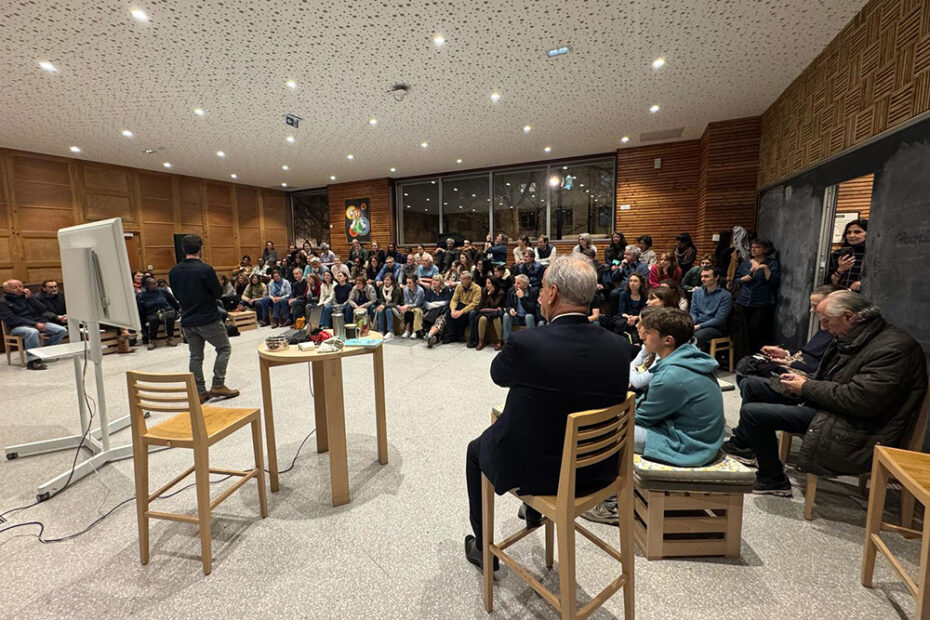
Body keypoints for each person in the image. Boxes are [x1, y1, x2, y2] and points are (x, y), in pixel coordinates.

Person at [463, 256, 633, 569]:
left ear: (552, 293)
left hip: (540, 473)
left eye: (541, 290)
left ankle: (485, 553)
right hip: (600, 472)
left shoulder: (528, 343)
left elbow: (498, 375)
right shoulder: (619, 346)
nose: (539, 296)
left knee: (476, 451)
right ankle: (532, 511)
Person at [722, 291, 928, 497]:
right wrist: (801, 379)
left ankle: (772, 479)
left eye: (826, 321)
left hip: (855, 424)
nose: (823, 327)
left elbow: (861, 401)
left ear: (848, 316)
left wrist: (806, 387)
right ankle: (745, 445)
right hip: (830, 403)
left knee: (753, 413)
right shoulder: (855, 336)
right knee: (751, 384)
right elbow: (830, 376)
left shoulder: (893, 349)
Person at [585, 307, 724, 524]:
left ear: (667, 340)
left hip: (689, 444)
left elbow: (642, 417)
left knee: (608, 432)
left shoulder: (671, 375)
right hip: (694, 434)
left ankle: (610, 503)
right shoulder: (688, 358)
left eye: (648, 332)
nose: (643, 335)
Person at [168, 234, 238, 403]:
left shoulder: (174, 271)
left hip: (188, 319)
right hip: (208, 318)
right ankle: (218, 384)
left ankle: (200, 391)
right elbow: (217, 293)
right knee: (224, 348)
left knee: (195, 356)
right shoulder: (205, 269)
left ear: (184, 249)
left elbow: (176, 294)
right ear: (201, 248)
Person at [0, 279, 68, 370]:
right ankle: (33, 361)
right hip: (17, 326)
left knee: (61, 330)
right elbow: (11, 319)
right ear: (6, 289)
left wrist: (31, 298)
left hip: (37, 321)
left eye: (20, 286)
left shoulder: (27, 297)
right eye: (15, 288)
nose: (19, 289)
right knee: (32, 332)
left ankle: (44, 351)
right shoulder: (3, 302)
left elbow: (42, 309)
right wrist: (35, 324)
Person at [734, 239, 780, 354]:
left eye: (757, 247)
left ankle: (757, 355)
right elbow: (736, 279)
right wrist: (742, 279)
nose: (753, 249)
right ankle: (742, 354)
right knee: (743, 330)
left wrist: (764, 268)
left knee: (757, 330)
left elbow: (773, 281)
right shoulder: (745, 263)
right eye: (752, 247)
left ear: (765, 249)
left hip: (762, 301)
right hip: (743, 300)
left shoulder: (772, 263)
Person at [690, 266, 733, 349]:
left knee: (696, 337)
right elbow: (693, 312)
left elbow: (719, 319)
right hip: (698, 324)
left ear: (716, 277)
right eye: (701, 276)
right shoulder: (697, 292)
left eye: (706, 276)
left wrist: (699, 326)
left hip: (716, 328)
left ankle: (695, 360)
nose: (702, 279)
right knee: (679, 333)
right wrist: (693, 323)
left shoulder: (725, 295)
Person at [137, 276, 180, 349]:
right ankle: (152, 340)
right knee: (153, 319)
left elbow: (173, 302)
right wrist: (143, 330)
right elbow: (141, 313)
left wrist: (177, 310)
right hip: (152, 313)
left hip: (166, 310)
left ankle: (170, 337)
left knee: (169, 315)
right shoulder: (141, 296)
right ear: (145, 286)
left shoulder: (163, 291)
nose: (155, 285)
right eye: (152, 284)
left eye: (155, 283)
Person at [607, 245, 651, 315]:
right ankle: (614, 316)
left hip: (636, 289)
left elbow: (644, 281)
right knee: (613, 293)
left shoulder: (642, 267)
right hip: (622, 288)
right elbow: (614, 278)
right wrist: (621, 267)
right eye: (624, 254)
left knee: (623, 294)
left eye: (627, 254)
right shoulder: (624, 265)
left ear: (634, 256)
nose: (624, 256)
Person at [827, 218, 867, 291]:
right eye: (848, 232)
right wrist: (840, 270)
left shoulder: (873, 254)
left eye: (857, 232)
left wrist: (863, 283)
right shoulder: (838, 254)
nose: (851, 235)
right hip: (842, 295)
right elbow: (830, 282)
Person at [443, 271, 482, 345]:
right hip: (461, 305)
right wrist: (453, 310)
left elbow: (474, 304)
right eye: (461, 279)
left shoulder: (477, 288)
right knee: (448, 312)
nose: (461, 281)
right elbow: (454, 300)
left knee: (472, 313)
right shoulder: (459, 286)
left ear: (470, 279)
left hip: (471, 308)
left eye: (464, 279)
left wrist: (461, 311)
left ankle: (472, 339)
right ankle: (452, 335)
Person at [502, 274, 541, 344]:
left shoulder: (533, 292)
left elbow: (532, 310)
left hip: (528, 319)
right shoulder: (511, 291)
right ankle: (507, 342)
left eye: (518, 283)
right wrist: (510, 309)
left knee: (529, 316)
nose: (515, 285)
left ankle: (530, 343)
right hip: (516, 317)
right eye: (515, 282)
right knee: (506, 315)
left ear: (525, 285)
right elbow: (507, 305)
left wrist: (522, 298)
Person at [468, 277, 505, 350]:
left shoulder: (500, 292)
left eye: (489, 283)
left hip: (496, 313)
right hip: (487, 312)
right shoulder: (484, 290)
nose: (487, 285)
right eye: (486, 283)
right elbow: (480, 305)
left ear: (494, 284)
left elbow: (495, 305)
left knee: (496, 319)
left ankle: (499, 341)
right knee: (482, 319)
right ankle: (481, 341)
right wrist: (486, 295)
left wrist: (490, 296)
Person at [423, 277, 453, 348]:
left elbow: (447, 302)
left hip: (443, 311)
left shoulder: (446, 290)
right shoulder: (430, 290)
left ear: (441, 282)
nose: (434, 282)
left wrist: (433, 304)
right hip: (432, 311)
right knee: (426, 316)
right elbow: (425, 303)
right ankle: (432, 337)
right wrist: (438, 304)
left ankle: (429, 335)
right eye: (433, 280)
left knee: (440, 320)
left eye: (436, 280)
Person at [373, 272, 402, 340]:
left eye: (388, 280)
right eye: (385, 280)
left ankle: (390, 332)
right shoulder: (381, 288)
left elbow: (395, 303)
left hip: (396, 307)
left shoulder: (397, 289)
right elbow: (382, 300)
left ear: (392, 281)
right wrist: (383, 305)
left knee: (388, 310)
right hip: (386, 305)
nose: (386, 281)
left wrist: (384, 305)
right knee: (380, 310)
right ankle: (381, 331)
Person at [399, 274, 425, 338]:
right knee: (406, 311)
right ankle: (407, 330)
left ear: (415, 283)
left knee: (416, 311)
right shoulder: (405, 290)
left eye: (410, 283)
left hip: (420, 307)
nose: (408, 284)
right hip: (409, 306)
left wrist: (407, 306)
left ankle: (415, 331)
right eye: (407, 282)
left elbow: (417, 304)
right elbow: (406, 301)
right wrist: (405, 307)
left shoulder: (420, 291)